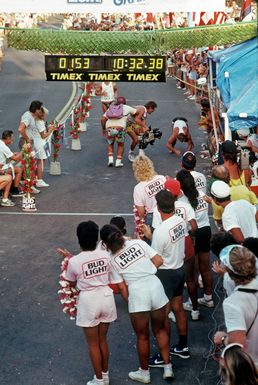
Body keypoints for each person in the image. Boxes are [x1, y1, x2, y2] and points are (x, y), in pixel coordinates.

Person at [100, 224, 173, 383]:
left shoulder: (112, 260)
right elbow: (159, 260)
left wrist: (131, 302)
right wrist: (146, 271)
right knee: (160, 330)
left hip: (137, 292)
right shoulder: (138, 243)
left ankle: (144, 373)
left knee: (142, 336)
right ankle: (168, 367)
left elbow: (121, 287)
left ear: (105, 244)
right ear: (120, 234)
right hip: (155, 286)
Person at [64, 221, 117, 385]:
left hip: (89, 301)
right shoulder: (106, 255)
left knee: (93, 344)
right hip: (107, 298)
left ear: (79, 239)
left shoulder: (74, 262)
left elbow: (71, 282)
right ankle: (105, 375)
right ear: (96, 239)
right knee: (102, 340)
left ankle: (99, 379)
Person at [142, 190, 190, 366]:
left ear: (159, 208)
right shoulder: (180, 221)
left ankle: (164, 357)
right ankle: (183, 347)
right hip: (179, 269)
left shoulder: (161, 231)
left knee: (163, 316)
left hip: (165, 274)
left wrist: (148, 238)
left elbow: (156, 259)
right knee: (178, 308)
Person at [152, 179, 198, 321]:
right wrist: (190, 237)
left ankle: (169, 311)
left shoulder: (158, 214)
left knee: (167, 289)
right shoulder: (185, 206)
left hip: (169, 250)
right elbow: (194, 226)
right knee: (190, 279)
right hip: (185, 242)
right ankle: (195, 309)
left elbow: (157, 234)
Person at [213, 245, 258, 367]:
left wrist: (222, 338)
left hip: (252, 365)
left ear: (230, 273)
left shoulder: (233, 303)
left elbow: (238, 346)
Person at [176, 170, 214, 311]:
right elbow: (212, 201)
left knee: (191, 272)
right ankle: (208, 297)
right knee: (205, 268)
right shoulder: (202, 195)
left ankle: (192, 304)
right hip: (206, 230)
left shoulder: (181, 201)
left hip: (193, 234)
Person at [18, 100, 55, 189]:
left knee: (30, 163)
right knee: (30, 163)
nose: (41, 110)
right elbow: (20, 129)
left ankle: (29, 182)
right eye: (40, 109)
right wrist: (27, 138)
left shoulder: (31, 115)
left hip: (30, 142)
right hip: (26, 142)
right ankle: (32, 184)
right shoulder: (28, 117)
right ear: (37, 110)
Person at [208, 165, 258, 229]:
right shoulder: (243, 189)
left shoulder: (216, 201)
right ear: (229, 177)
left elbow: (219, 222)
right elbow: (256, 204)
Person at [132, 155, 166, 238]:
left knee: (152, 242)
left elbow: (141, 212)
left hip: (152, 217)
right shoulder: (161, 178)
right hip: (166, 212)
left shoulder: (138, 188)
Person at [101, 97, 139, 167]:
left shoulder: (111, 108)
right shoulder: (126, 107)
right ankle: (118, 162)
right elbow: (137, 112)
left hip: (110, 128)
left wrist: (104, 129)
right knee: (120, 145)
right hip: (120, 128)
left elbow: (103, 119)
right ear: (124, 102)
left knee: (110, 143)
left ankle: (110, 160)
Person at [0, 130, 23, 197]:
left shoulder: (1, 143)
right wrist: (23, 150)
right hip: (2, 167)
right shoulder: (4, 147)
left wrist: (12, 154)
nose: (12, 140)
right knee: (19, 169)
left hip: (2, 165)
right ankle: (14, 191)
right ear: (7, 138)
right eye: (11, 139)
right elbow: (15, 158)